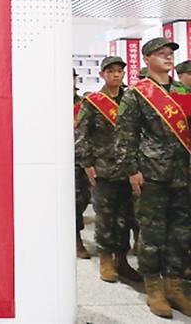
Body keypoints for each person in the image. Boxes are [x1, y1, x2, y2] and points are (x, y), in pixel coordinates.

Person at [115, 37, 191, 318]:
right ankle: (154, 288)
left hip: (183, 173)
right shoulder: (136, 94)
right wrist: (132, 170)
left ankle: (175, 286)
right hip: (151, 174)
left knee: (181, 232)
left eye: (170, 53)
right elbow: (125, 136)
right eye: (161, 53)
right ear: (146, 59)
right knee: (152, 232)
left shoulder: (184, 91)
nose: (168, 57)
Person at [75, 56, 140, 283]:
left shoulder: (131, 100)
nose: (116, 74)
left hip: (128, 170)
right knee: (105, 216)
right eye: (111, 71)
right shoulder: (93, 102)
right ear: (102, 74)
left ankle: (121, 260)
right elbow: (82, 135)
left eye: (119, 71)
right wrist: (87, 164)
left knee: (126, 217)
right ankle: (105, 259)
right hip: (103, 169)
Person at [73, 68, 91, 259]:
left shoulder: (84, 104)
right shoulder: (52, 103)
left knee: (83, 198)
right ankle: (76, 238)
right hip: (60, 161)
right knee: (73, 201)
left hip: (82, 159)